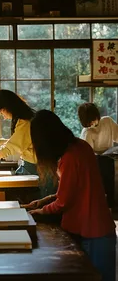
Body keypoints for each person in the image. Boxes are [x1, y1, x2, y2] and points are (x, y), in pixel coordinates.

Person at [26, 110, 116, 281]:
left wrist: (41, 212)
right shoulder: (80, 146)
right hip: (98, 227)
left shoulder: (69, 157)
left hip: (91, 231)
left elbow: (64, 202)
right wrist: (45, 201)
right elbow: (75, 190)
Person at [0, 89, 57, 197]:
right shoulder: (25, 120)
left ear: (8, 107)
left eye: (1, 112)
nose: (3, 117)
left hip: (39, 169)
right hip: (34, 167)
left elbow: (9, 148)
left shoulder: (25, 123)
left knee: (38, 205)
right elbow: (14, 144)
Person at [78, 102, 118, 208]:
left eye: (92, 120)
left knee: (109, 185)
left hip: (109, 158)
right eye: (88, 122)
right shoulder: (87, 132)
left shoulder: (107, 121)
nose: (91, 124)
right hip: (94, 161)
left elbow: (117, 137)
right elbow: (86, 154)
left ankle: (110, 205)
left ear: (96, 115)